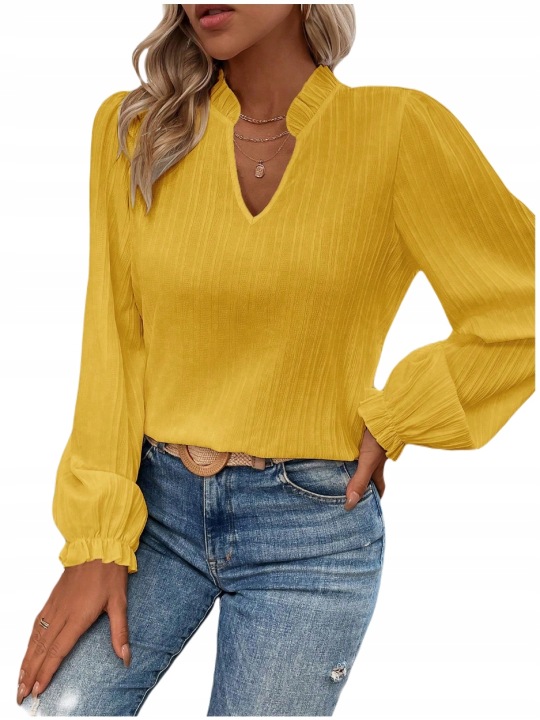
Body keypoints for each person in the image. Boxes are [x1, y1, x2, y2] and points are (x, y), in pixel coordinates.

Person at [17, 3, 535, 717]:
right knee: (61, 708)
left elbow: (522, 302)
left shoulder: (397, 130)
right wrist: (96, 541)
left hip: (310, 527)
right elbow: (112, 338)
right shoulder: (139, 130)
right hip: (152, 514)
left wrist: (400, 415)